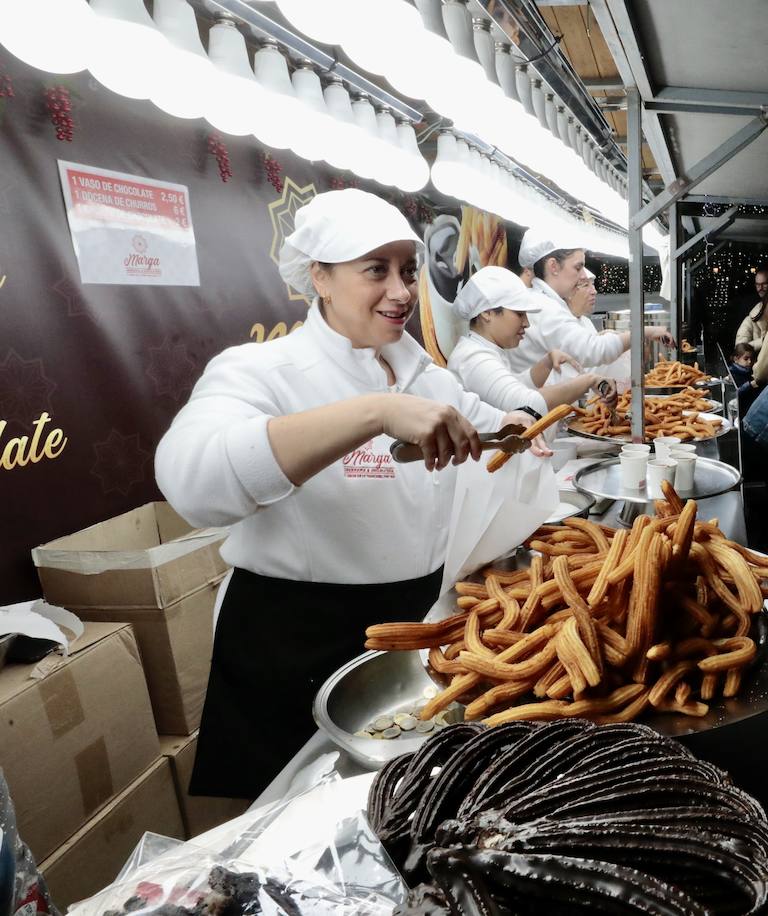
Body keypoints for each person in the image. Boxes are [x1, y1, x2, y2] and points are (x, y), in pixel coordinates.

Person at [154, 190, 546, 800]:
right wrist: (374, 413)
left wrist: (518, 429)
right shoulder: (260, 371)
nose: (400, 291)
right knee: (285, 831)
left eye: (408, 271)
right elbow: (193, 484)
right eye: (375, 270)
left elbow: (489, 424)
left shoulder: (428, 377)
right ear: (320, 277)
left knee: (407, 819)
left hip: (414, 628)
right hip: (293, 639)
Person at [508, 227, 670, 373]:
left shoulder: (547, 302)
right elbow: (593, 351)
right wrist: (647, 331)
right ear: (553, 267)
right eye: (578, 267)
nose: (583, 276)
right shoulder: (544, 308)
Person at [448, 266, 597, 413]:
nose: (526, 323)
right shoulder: (474, 359)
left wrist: (546, 363)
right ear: (487, 313)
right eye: (519, 314)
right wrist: (587, 381)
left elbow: (515, 386)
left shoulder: (487, 350)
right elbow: (525, 404)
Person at [734, 268, 768, 350]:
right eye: (758, 285)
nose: (761, 288)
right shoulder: (750, 307)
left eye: (764, 284)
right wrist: (764, 341)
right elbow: (740, 347)